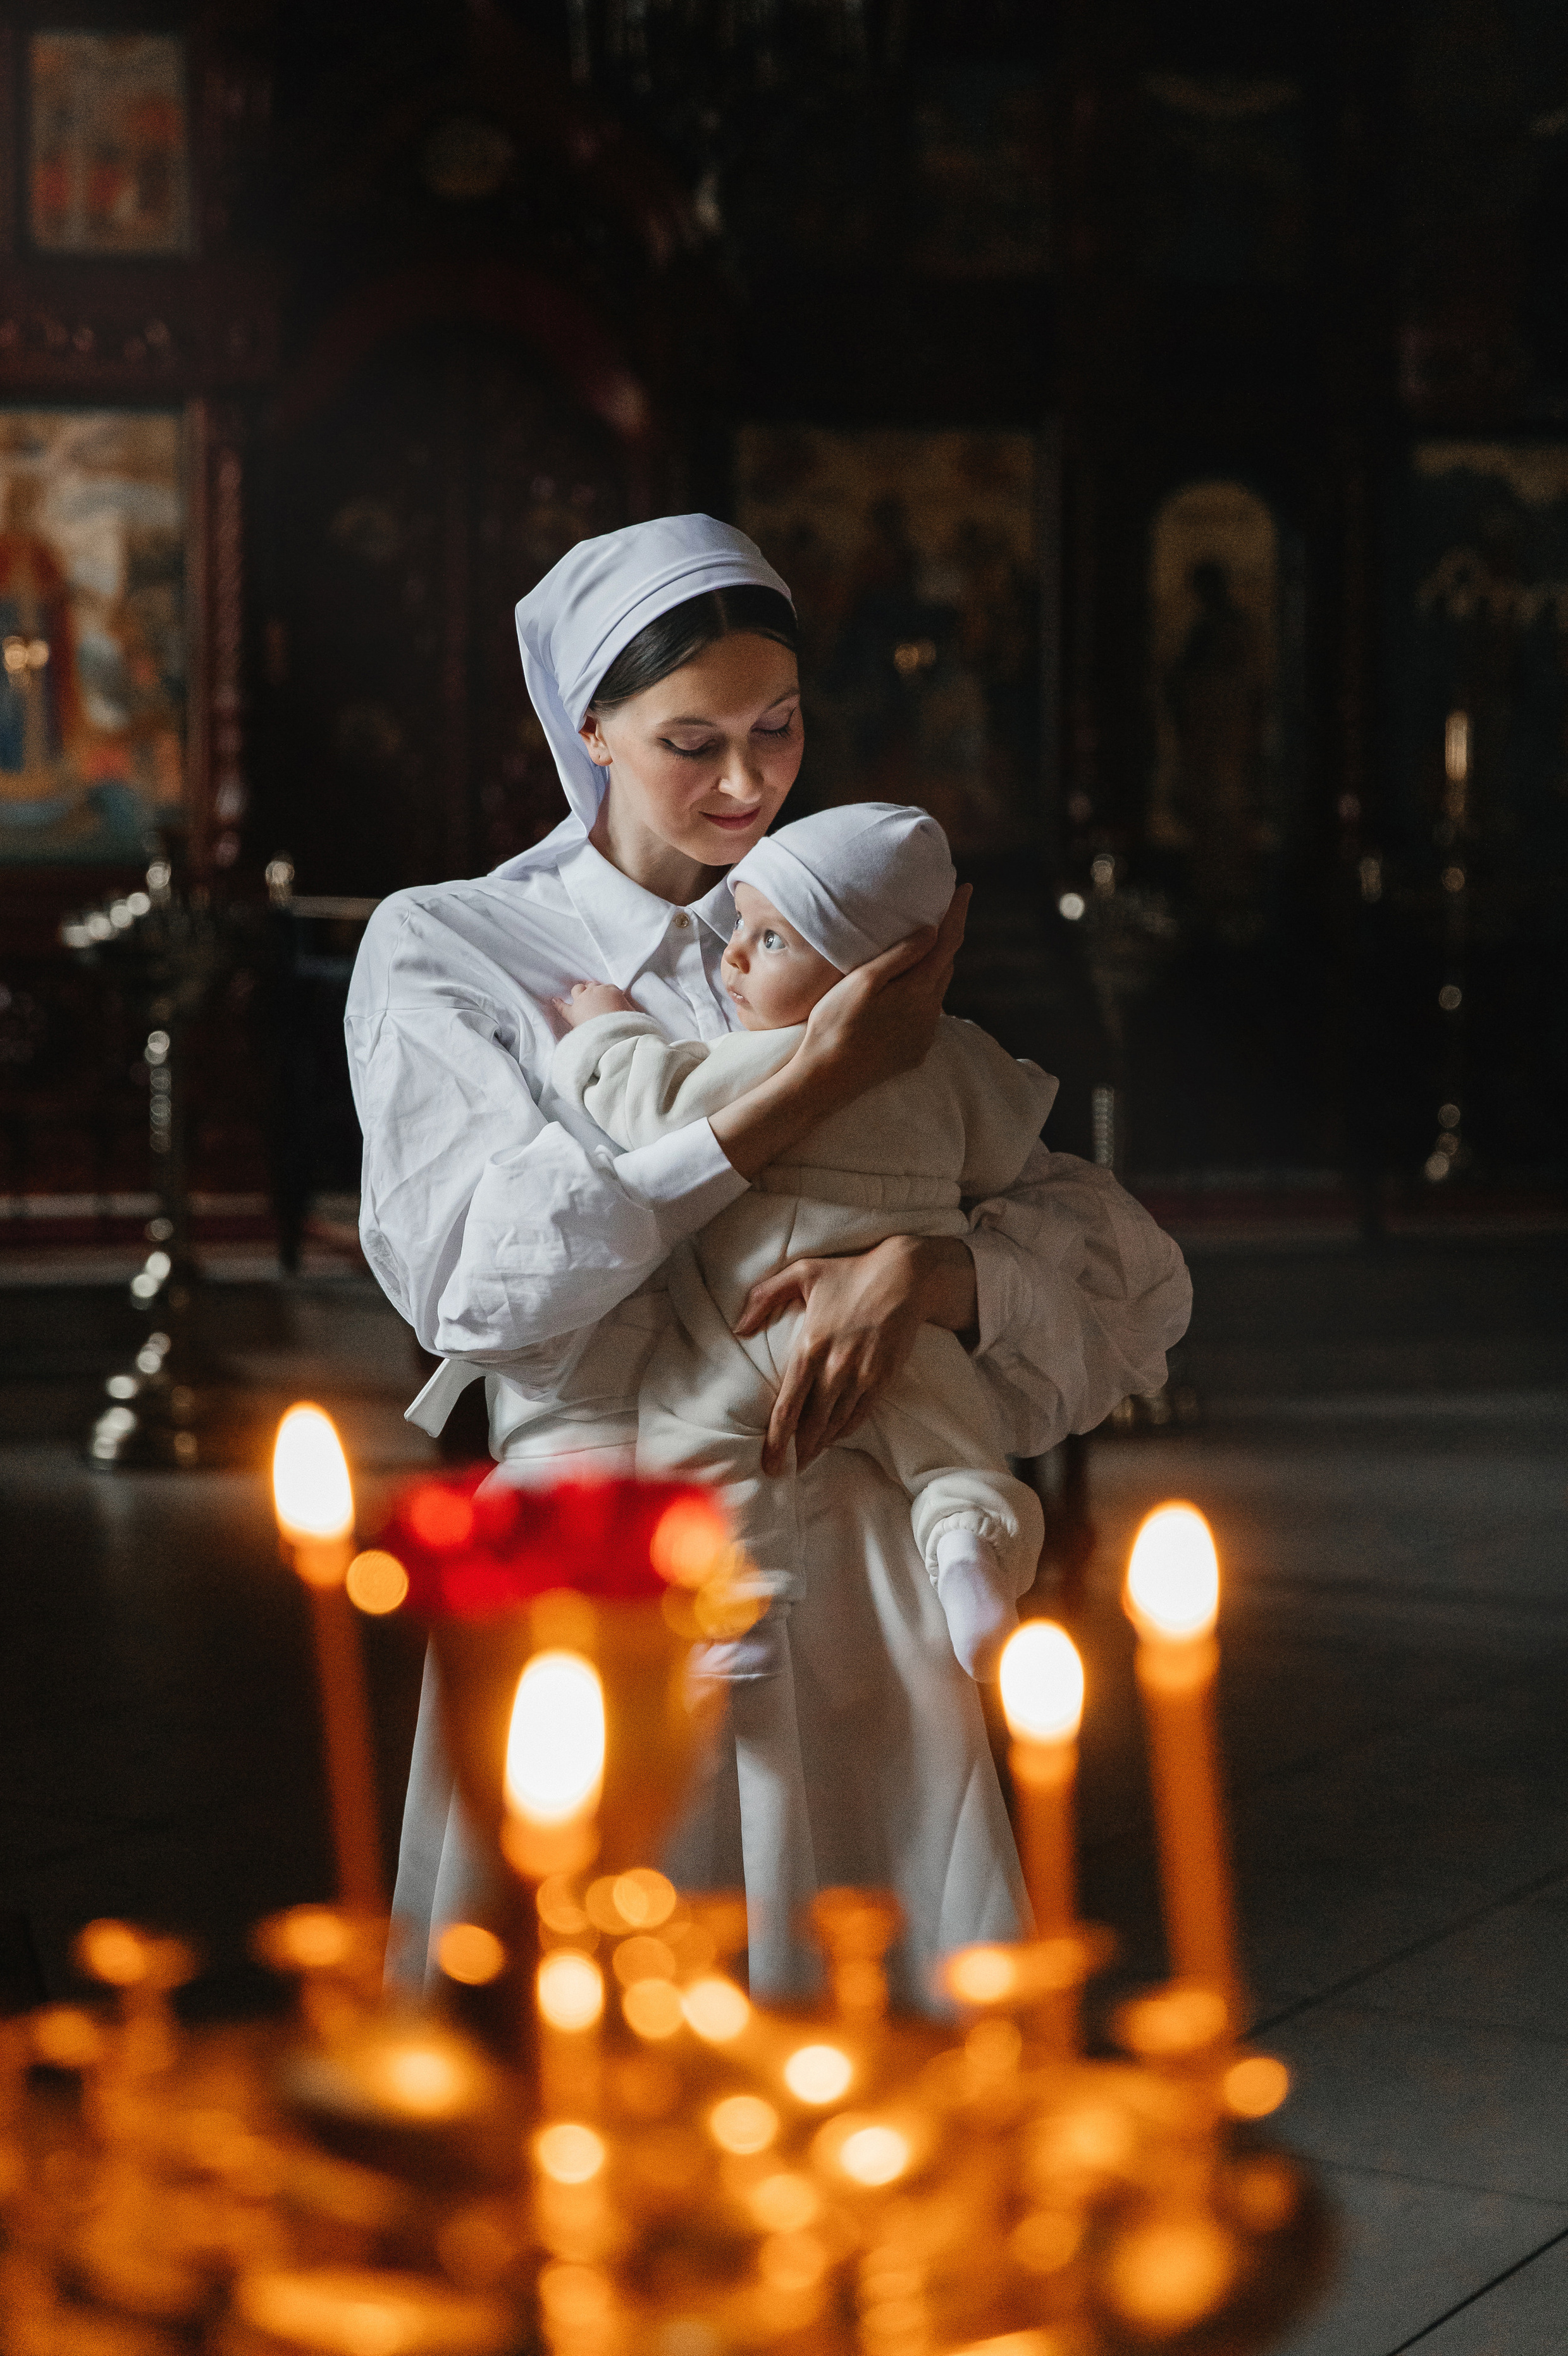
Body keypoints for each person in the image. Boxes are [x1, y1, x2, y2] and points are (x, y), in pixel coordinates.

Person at [346, 514, 1191, 2007]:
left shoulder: (845, 915)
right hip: (602, 1561)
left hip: (861, 1553)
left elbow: (1111, 1254)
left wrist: (928, 1278)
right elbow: (475, 1285)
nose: (745, 783)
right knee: (584, 2050)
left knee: (878, 2054)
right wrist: (803, 1085)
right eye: (692, 741)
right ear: (587, 727)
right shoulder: (456, 946)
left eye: (777, 727)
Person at [548, 801, 1052, 1684]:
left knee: (687, 1424)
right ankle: (969, 1553)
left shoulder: (772, 1059)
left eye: (773, 941)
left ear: (867, 976)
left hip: (751, 1328)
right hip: (907, 1337)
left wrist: (606, 1029)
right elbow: (1007, 1147)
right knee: (953, 1449)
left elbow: (652, 1107)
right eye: (741, 927)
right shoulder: (959, 1060)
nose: (733, 955)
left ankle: (737, 1605)